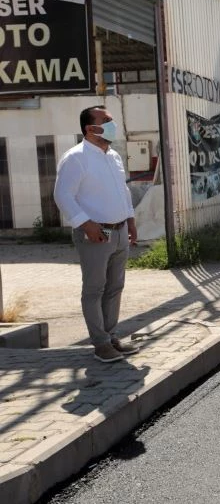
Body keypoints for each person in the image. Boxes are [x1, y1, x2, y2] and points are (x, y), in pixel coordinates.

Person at [54, 105, 140, 363]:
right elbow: (62, 195)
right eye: (107, 121)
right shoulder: (76, 157)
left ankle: (111, 336)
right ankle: (101, 344)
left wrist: (131, 220)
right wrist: (86, 225)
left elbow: (123, 193)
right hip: (95, 234)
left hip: (119, 230)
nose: (112, 124)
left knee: (115, 287)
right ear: (91, 128)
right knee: (94, 289)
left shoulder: (112, 155)